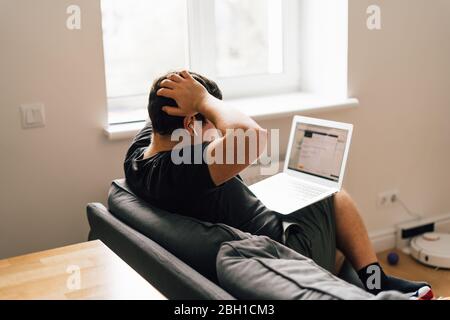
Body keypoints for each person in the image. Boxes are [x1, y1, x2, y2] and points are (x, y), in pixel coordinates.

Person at [124, 70, 429, 296]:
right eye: (213, 125)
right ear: (191, 124)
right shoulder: (182, 168)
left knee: (331, 231)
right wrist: (203, 100)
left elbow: (160, 112)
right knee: (332, 195)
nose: (218, 132)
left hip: (259, 224)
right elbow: (251, 138)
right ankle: (377, 283)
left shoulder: (140, 157)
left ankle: (369, 285)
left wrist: (190, 98)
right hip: (283, 249)